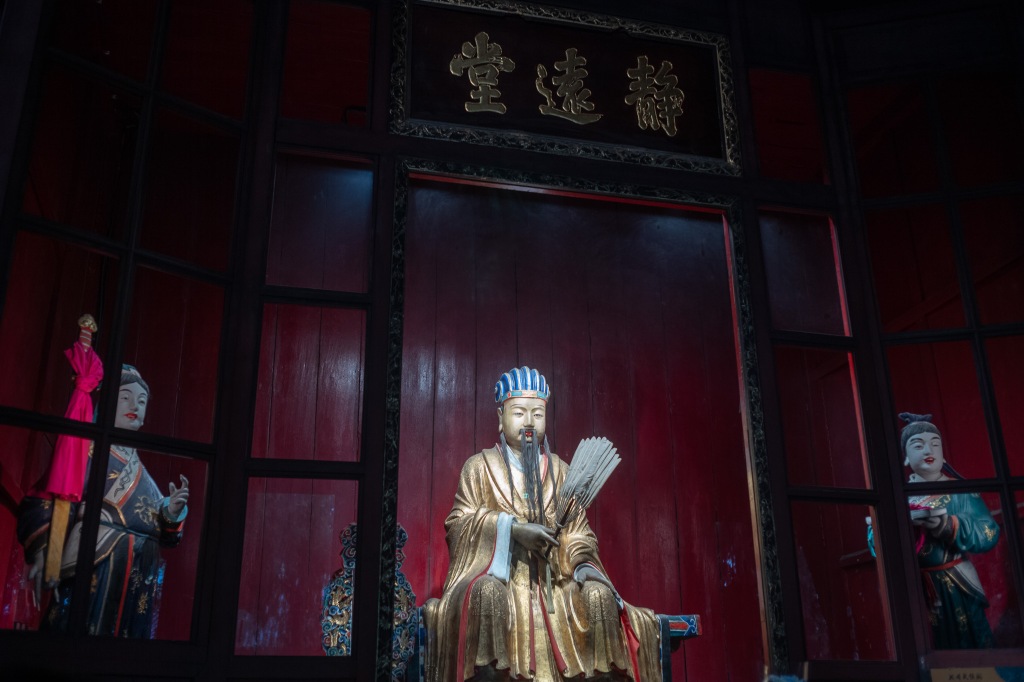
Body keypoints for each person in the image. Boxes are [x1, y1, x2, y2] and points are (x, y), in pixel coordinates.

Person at [424, 366, 661, 682]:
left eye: (537, 414)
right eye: (518, 413)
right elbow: (459, 525)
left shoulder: (562, 472)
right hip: (505, 584)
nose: (528, 422)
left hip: (556, 589)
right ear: (500, 416)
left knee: (598, 597)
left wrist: (571, 556)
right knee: (486, 593)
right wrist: (511, 530)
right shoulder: (479, 468)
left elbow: (581, 534)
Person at [17, 364, 189, 638]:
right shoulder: (87, 453)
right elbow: (53, 496)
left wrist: (171, 511)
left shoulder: (141, 472)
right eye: (125, 397)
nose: (134, 406)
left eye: (141, 401)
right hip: (97, 559)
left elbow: (167, 535)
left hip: (138, 571)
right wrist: (44, 551)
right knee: (80, 630)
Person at [901, 412, 999, 649]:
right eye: (918, 446)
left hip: (957, 582)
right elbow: (880, 543)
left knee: (969, 645)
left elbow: (989, 531)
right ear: (905, 457)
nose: (928, 451)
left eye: (935, 444)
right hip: (915, 588)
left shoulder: (959, 491)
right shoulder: (900, 496)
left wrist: (949, 526)